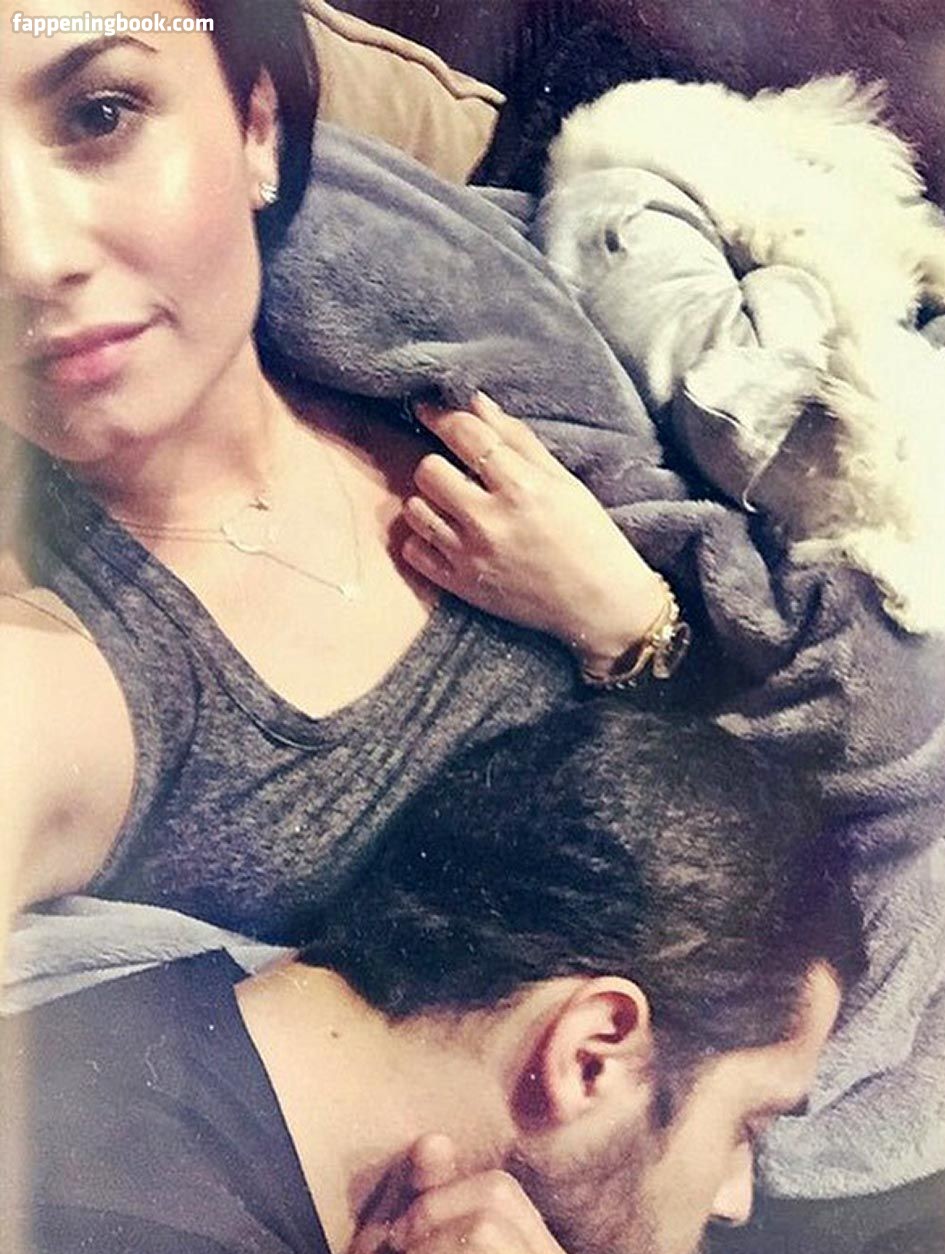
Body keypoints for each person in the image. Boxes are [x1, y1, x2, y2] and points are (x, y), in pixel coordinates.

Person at [0, 0, 688, 955]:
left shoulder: (430, 378)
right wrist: (632, 635)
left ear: (256, 126)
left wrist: (625, 618)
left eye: (99, 116)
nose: (34, 260)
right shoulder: (57, 664)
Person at [1, 705, 865, 1254]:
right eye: (746, 1126)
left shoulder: (157, 1012)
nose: (736, 1200)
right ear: (591, 1055)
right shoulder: (119, 1241)